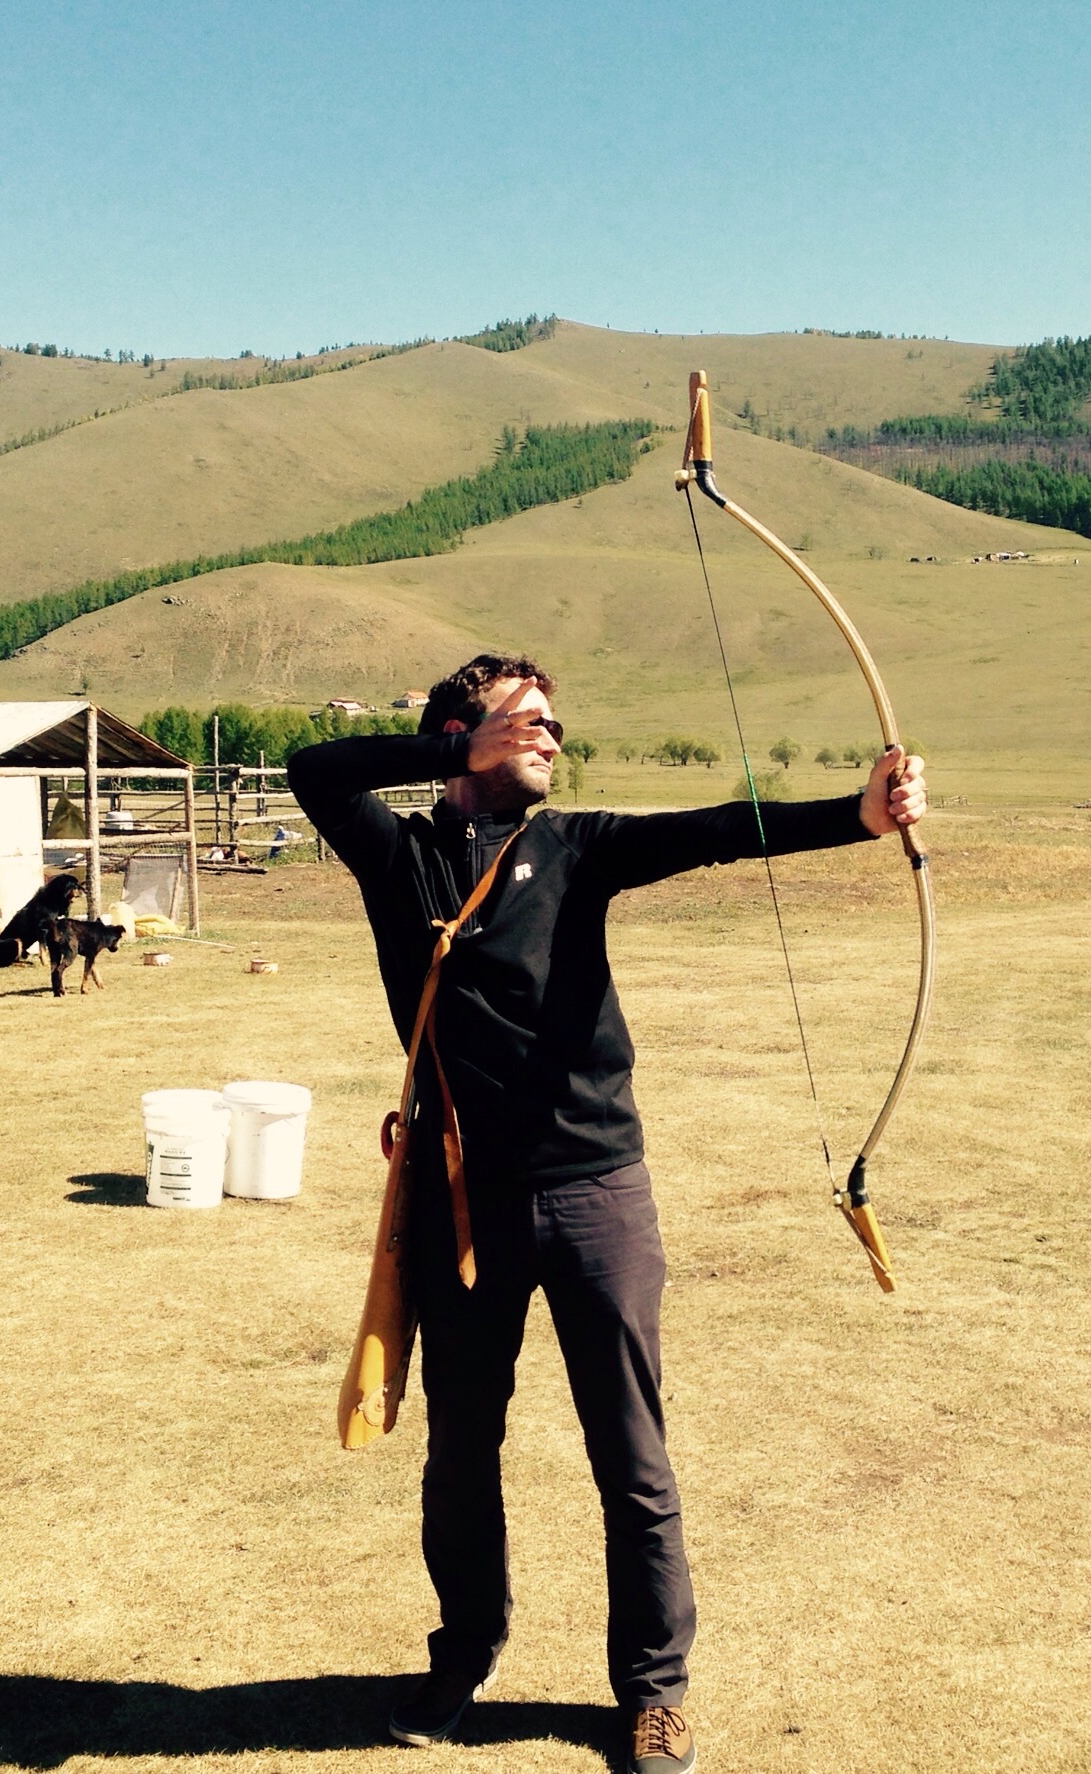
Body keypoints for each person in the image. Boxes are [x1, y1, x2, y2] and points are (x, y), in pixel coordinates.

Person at [288, 653, 927, 1773]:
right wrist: (455, 750)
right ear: (462, 732)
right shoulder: (401, 856)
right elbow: (316, 770)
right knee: (460, 1450)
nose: (550, 736)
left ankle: (653, 1691)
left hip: (596, 1192)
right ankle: (464, 1653)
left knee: (631, 1457)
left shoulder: (575, 848)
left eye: (553, 723)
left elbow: (712, 832)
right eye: (526, 721)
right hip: (460, 1202)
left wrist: (856, 816)